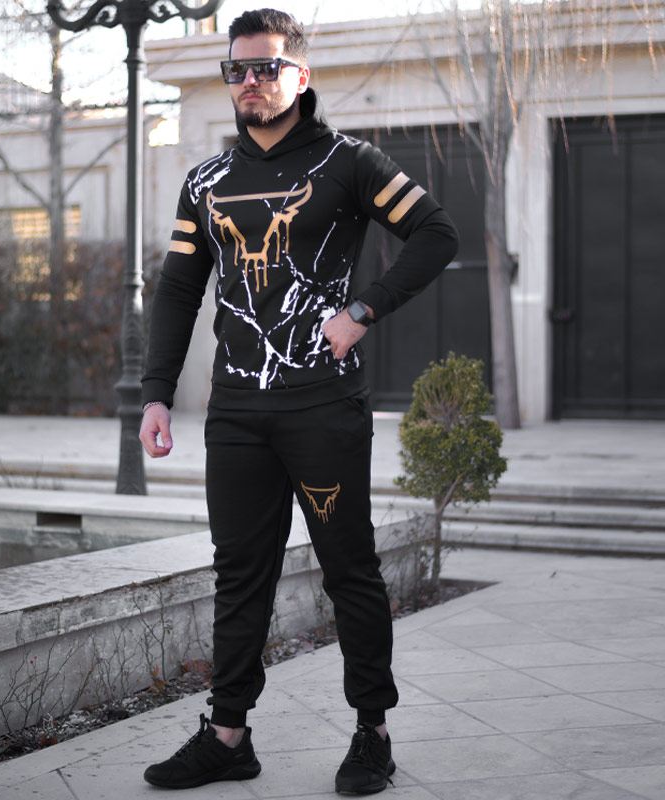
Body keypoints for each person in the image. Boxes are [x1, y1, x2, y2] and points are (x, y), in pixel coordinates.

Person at [139, 8, 458, 795]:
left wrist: (364, 310)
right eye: (236, 70)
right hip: (237, 411)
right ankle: (227, 737)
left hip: (322, 406)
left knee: (349, 568)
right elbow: (178, 289)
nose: (249, 81)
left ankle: (373, 734)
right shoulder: (205, 182)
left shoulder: (350, 162)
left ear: (300, 75)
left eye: (266, 67)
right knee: (239, 573)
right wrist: (155, 394)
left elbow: (436, 233)